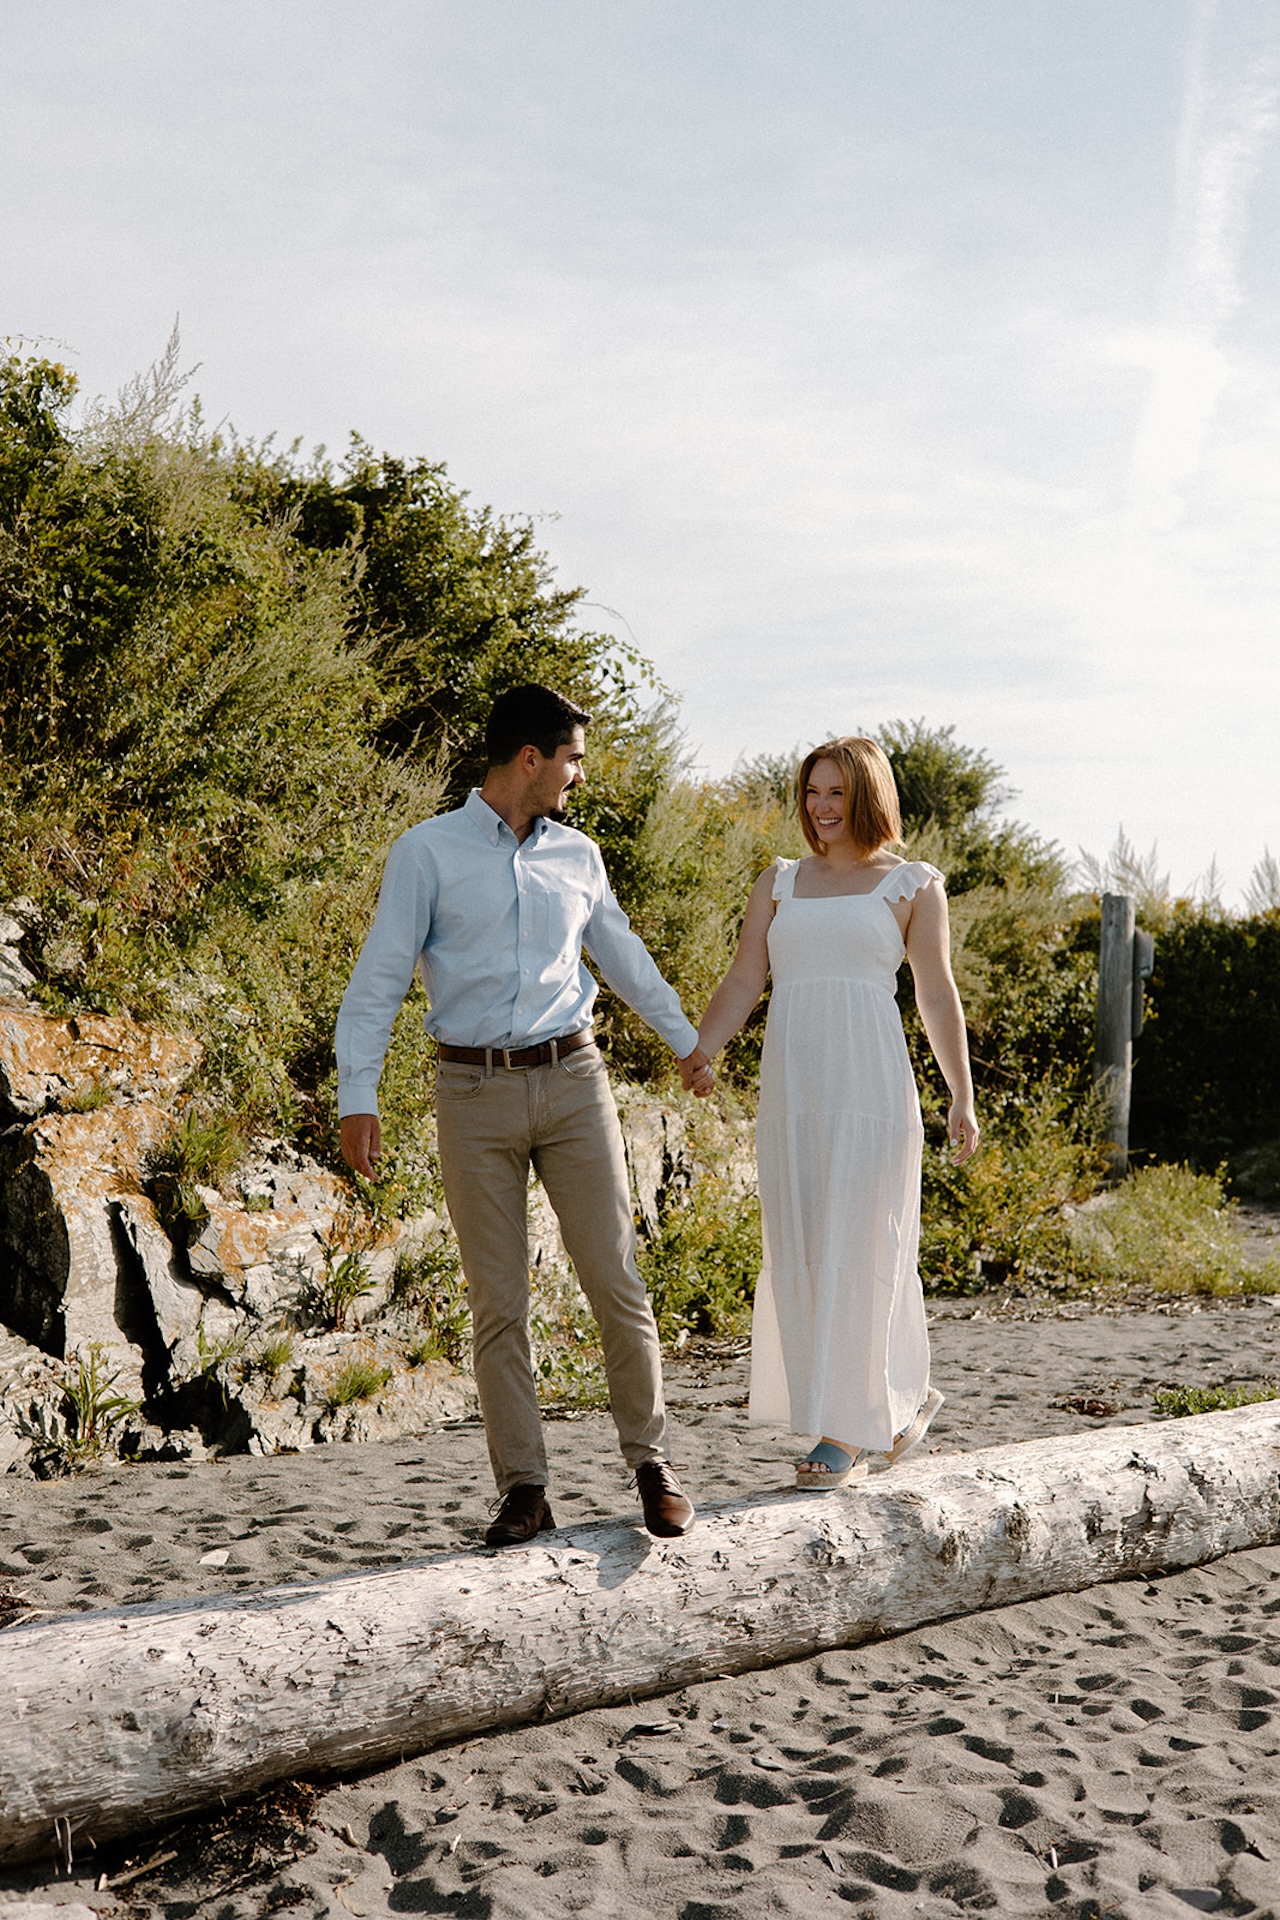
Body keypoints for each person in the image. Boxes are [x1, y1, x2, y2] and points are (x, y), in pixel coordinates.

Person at [336, 684, 708, 1546]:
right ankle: (525, 1490)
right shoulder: (425, 854)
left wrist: (687, 1041)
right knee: (497, 1302)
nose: (579, 774)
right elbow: (378, 982)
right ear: (530, 759)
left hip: (574, 1080)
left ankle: (652, 1465)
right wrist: (359, 1095)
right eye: (572, 758)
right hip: (471, 1094)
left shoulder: (578, 856)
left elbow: (624, 957)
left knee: (616, 1279)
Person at [692, 736, 978, 1488]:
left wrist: (961, 1094)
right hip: (795, 1091)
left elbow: (935, 993)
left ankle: (844, 1432)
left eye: (836, 793)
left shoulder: (911, 885)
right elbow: (745, 976)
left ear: (867, 796)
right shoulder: (779, 882)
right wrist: (703, 1049)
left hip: (872, 1092)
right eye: (812, 792)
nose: (821, 808)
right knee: (810, 1244)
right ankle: (899, 1398)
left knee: (866, 1245)